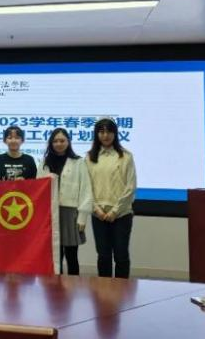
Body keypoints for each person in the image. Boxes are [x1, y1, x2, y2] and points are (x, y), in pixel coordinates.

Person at [86, 118, 137, 279]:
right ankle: (104, 291)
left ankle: (122, 291)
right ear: (96, 134)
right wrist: (97, 210)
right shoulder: (89, 157)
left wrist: (115, 211)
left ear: (115, 133)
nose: (105, 135)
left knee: (121, 256)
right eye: (101, 132)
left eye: (109, 131)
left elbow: (130, 187)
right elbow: (86, 187)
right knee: (103, 256)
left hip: (121, 215)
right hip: (98, 215)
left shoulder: (126, 156)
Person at [38, 128, 92, 275]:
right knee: (55, 257)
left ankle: (73, 285)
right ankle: (56, 285)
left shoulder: (78, 162)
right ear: (51, 143)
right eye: (55, 141)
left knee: (71, 256)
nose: (59, 144)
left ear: (68, 142)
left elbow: (86, 189)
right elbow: (39, 188)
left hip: (70, 213)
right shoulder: (44, 162)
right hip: (50, 214)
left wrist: (82, 216)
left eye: (62, 140)